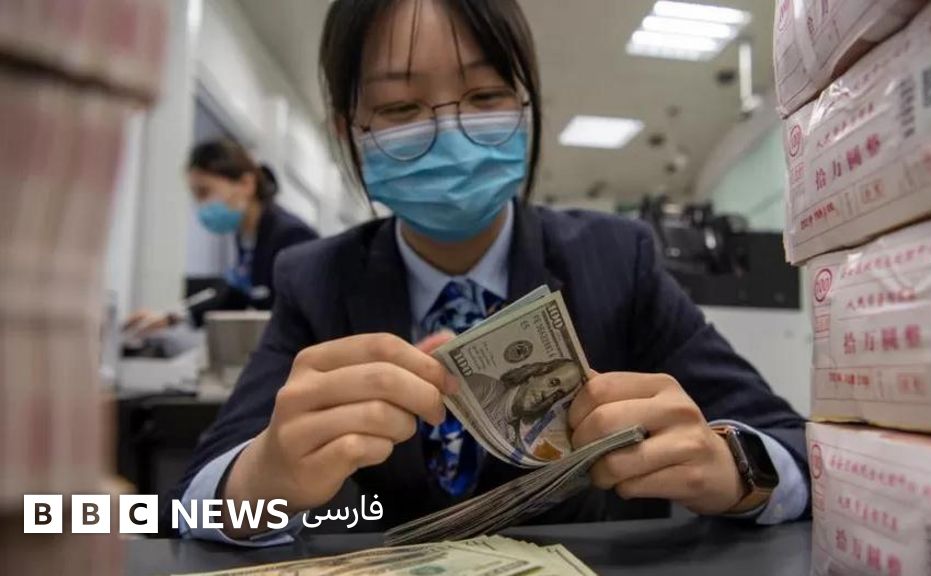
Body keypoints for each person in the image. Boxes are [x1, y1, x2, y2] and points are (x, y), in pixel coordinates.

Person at [164, 0, 809, 543]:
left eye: (485, 96)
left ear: (525, 107)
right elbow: (194, 501)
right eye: (399, 108)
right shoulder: (315, 280)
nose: (449, 131)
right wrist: (260, 482)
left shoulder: (618, 259)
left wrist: (735, 470)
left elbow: (792, 445)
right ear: (349, 131)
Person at [125, 140, 318, 335]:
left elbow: (302, 316)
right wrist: (169, 318)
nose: (201, 205)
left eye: (204, 192)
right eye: (195, 195)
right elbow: (235, 294)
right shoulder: (247, 236)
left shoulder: (291, 236)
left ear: (246, 184)